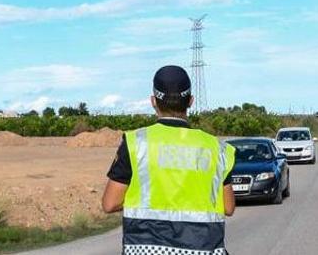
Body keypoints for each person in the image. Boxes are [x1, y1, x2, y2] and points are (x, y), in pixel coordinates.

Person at [101, 65, 237, 255]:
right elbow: (228, 207)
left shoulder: (136, 143)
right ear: (190, 101)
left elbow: (110, 203)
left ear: (153, 101)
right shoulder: (216, 148)